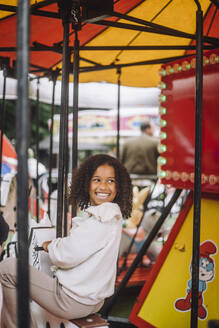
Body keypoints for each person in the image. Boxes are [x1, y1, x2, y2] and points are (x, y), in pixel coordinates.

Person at [0, 154, 133, 327]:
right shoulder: (113, 216)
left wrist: (51, 245)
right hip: (94, 300)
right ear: (86, 184)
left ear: (119, 187)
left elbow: (66, 255)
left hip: (72, 301)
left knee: (8, 268)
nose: (103, 186)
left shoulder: (100, 218)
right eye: (97, 180)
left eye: (110, 181)